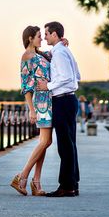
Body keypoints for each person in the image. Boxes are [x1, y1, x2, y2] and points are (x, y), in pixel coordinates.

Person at [36, 21, 81, 197]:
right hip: (69, 100)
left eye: (46, 33)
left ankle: (66, 187)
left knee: (65, 146)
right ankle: (72, 185)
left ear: (54, 34)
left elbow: (68, 77)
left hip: (62, 101)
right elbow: (78, 75)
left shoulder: (60, 53)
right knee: (70, 144)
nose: (45, 36)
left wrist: (48, 85)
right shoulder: (63, 51)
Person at [10, 25, 53, 196]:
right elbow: (26, 86)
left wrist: (64, 42)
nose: (41, 39)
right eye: (38, 36)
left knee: (46, 142)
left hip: (51, 100)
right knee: (45, 142)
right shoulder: (27, 56)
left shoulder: (42, 55)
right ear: (30, 38)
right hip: (41, 102)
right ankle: (22, 176)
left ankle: (36, 182)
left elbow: (55, 54)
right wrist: (31, 110)